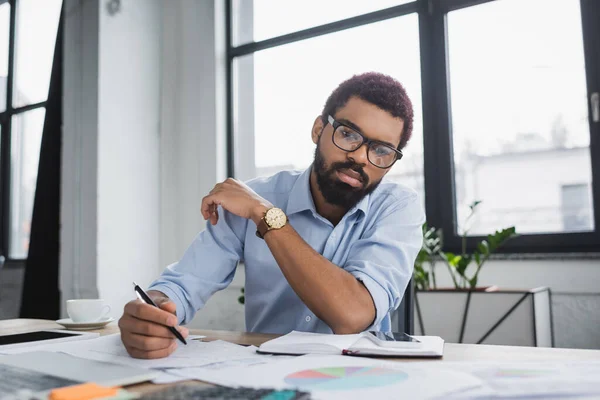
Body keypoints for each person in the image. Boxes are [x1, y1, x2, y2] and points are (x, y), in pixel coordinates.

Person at [118, 72, 425, 359]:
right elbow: (184, 285)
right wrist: (155, 311)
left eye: (382, 151)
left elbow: (353, 315)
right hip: (262, 372)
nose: (360, 156)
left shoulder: (398, 208)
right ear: (319, 130)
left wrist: (266, 216)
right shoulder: (251, 200)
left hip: (356, 381)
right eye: (348, 134)